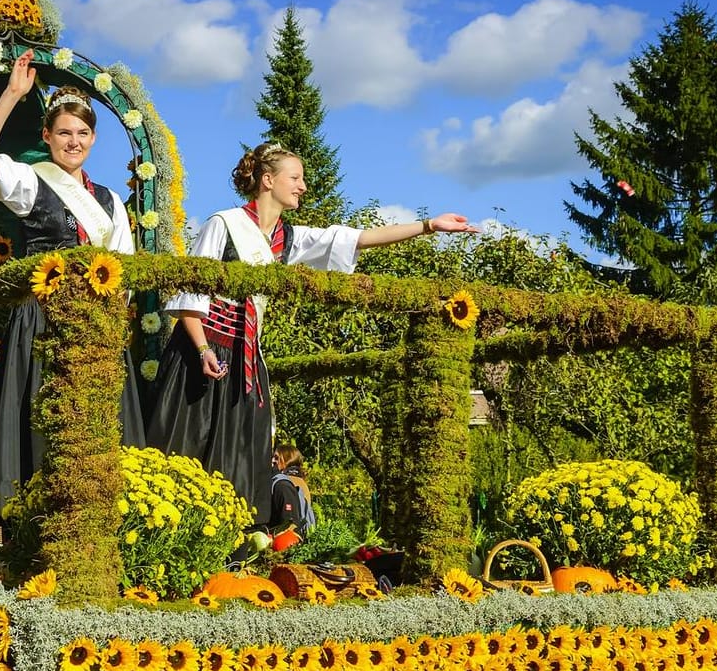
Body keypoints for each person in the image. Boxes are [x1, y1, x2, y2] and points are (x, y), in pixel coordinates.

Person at [148, 142, 479, 514]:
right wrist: (203, 349)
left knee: (239, 453)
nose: (303, 186)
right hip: (202, 351)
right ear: (268, 180)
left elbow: (358, 239)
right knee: (188, 443)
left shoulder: (287, 239)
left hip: (244, 358)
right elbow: (191, 294)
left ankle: (230, 543)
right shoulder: (223, 225)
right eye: (296, 177)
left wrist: (428, 226)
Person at [0, 49, 142, 518]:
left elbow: (124, 273)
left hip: (96, 326)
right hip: (42, 320)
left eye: (83, 133)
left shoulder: (110, 202)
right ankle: (36, 526)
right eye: (64, 132)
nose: (73, 141)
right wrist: (12, 96)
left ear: (94, 140)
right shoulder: (30, 181)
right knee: (41, 420)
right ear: (47, 136)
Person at [265, 443, 316, 538]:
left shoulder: (284, 482)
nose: (272, 461)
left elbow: (289, 522)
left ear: (287, 460)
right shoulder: (301, 481)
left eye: (276, 458)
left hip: (286, 538)